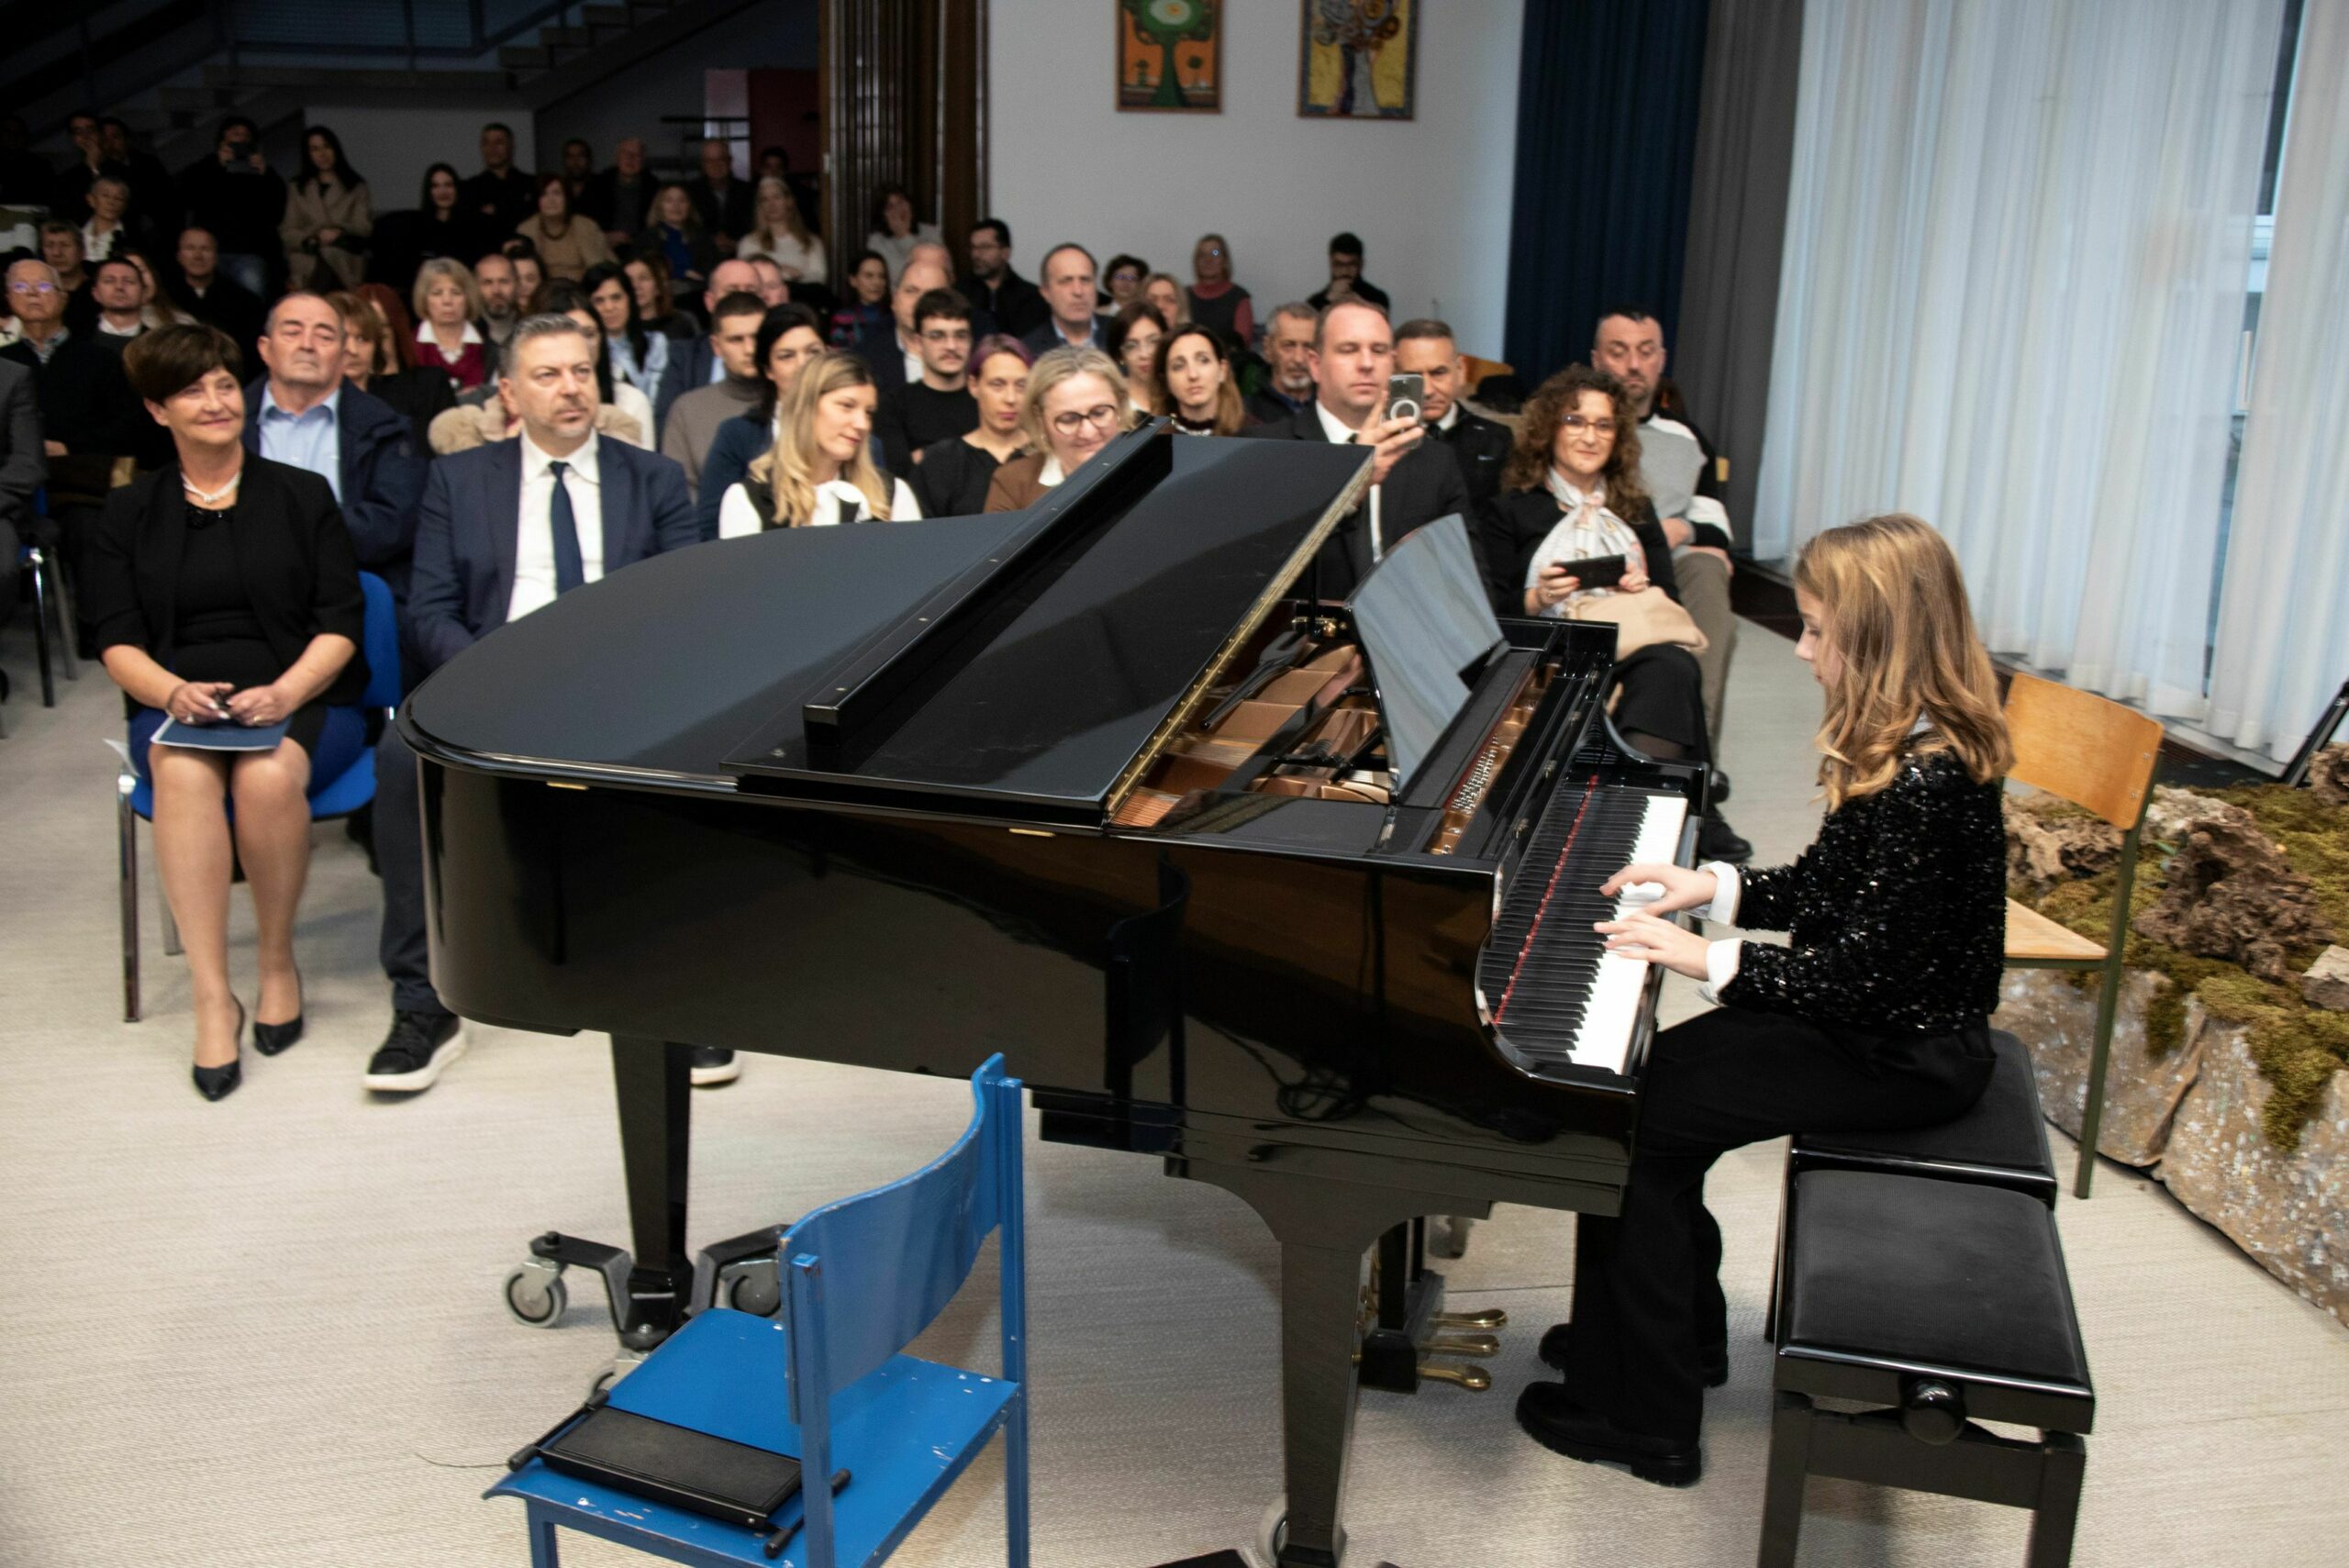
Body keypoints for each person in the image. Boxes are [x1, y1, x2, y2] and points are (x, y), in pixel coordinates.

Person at [1517, 512, 2011, 1486]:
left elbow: (1859, 977)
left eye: (1819, 629)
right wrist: (1712, 886)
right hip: (1875, 1026)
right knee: (1654, 1082)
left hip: (1903, 1054)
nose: (1802, 648)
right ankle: (1671, 1335)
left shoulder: (1927, 779)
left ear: (1880, 638)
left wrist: (1707, 957)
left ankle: (1644, 1414)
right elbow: (1830, 886)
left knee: (1632, 1120)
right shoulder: (1908, 744)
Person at [373, 313, 700, 1093]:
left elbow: (689, 608)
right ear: (509, 393)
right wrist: (496, 677)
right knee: (400, 761)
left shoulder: (652, 477)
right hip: (495, 674)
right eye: (548, 374)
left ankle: (687, 1000)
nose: (570, 388)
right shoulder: (459, 479)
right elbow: (430, 609)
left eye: (582, 371)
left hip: (621, 684)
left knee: (701, 754)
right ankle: (423, 1002)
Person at [88, 324, 368, 1101]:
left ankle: (276, 962)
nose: (215, 402)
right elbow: (114, 638)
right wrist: (168, 690)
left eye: (222, 384)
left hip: (302, 692)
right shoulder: (128, 510)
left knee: (267, 777)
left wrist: (286, 692)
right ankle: (214, 995)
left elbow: (342, 621)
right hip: (179, 699)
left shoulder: (301, 495)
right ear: (158, 410)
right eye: (191, 390)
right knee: (181, 776)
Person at [1479, 364, 1748, 862]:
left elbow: (1670, 601)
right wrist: (1536, 598)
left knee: (1673, 665)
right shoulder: (1510, 510)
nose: (1590, 436)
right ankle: (1694, 809)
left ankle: (1630, 812)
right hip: (1551, 647)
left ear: (1618, 436)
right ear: (1548, 428)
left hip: (1628, 641)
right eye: (1575, 421)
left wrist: (1641, 586)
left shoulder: (1636, 510)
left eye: (1603, 425)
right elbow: (1491, 609)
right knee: (1648, 678)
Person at [1593, 305, 1739, 762]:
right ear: (1597, 359)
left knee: (1708, 566)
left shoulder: (1686, 437)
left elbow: (1717, 528)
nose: (1633, 365)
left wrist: (1681, 529)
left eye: (1645, 351)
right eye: (1619, 352)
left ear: (1661, 359)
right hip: (1592, 562)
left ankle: (1697, 756)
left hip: (1666, 567)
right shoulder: (1576, 427)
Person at [1244, 300, 1466, 596]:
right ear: (1315, 364)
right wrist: (1352, 489)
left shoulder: (1435, 460)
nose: (1366, 363)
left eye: (1378, 350)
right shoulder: (1268, 451)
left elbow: (1468, 584)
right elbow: (1256, 575)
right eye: (1348, 350)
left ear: (1393, 363)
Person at [244, 291, 429, 603]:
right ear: (265, 349)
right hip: (242, 592)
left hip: (349, 591)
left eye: (324, 336)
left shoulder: (385, 428)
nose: (307, 345)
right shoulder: (226, 423)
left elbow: (393, 524)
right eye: (292, 332)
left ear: (343, 355)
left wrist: (284, 532)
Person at [717, 349, 918, 535]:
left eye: (868, 412)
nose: (862, 424)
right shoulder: (748, 500)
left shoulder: (892, 494)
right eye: (846, 406)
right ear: (806, 407)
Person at [696, 303, 826, 539]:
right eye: (787, 356)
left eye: (813, 352)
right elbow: (710, 527)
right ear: (768, 370)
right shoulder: (737, 435)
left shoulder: (856, 434)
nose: (803, 365)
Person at [985, 345, 1131, 511]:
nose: (1088, 432)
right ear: (1040, 420)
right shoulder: (1012, 483)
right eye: (1069, 420)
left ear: (1121, 406)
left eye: (1099, 413)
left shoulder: (1152, 464)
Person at [659, 290, 767, 499]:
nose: (750, 349)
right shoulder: (687, 410)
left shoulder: (794, 402)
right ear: (716, 346)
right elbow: (679, 495)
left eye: (757, 337)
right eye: (736, 340)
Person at [1395, 317, 1511, 510]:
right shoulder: (1380, 442)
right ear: (1393, 377)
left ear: (1461, 370)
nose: (1427, 391)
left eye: (1438, 373)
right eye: (1413, 376)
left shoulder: (1497, 439)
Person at [910, 334, 1029, 518]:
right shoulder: (941, 461)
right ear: (974, 386)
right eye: (997, 385)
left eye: (1021, 385)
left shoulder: (1048, 454)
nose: (1011, 398)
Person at [329, 288, 454, 450]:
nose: (352, 349)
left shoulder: (393, 416)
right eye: (344, 338)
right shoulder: (316, 409)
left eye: (362, 338)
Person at [177, 117, 285, 300]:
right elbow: (188, 197)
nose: (241, 138)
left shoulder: (263, 173)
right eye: (235, 133)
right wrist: (218, 166)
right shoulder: (204, 167)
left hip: (249, 252)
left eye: (246, 135)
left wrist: (265, 174)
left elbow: (276, 211)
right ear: (223, 139)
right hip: (210, 250)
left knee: (252, 292)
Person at [874, 287, 977, 474]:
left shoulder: (985, 400)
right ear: (918, 343)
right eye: (937, 336)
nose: (951, 346)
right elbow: (898, 475)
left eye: (960, 335)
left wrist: (924, 456)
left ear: (971, 340)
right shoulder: (893, 405)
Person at [584, 261, 684, 437]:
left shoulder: (657, 344)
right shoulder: (586, 353)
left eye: (616, 297)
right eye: (599, 301)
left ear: (629, 299)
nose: (609, 307)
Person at [368, 163, 482, 298]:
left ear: (457, 189)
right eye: (435, 186)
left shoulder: (471, 228)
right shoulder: (415, 227)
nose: (443, 191)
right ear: (429, 191)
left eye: (448, 185)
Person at [280, 126, 371, 292]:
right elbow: (288, 231)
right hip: (308, 255)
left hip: (343, 254)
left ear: (335, 149)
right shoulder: (297, 187)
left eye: (326, 147)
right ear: (308, 154)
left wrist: (339, 231)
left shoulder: (356, 186)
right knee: (317, 261)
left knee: (330, 255)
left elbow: (364, 227)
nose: (322, 154)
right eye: (315, 149)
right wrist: (312, 239)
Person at [169, 227, 266, 367]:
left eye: (205, 249)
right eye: (190, 248)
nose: (198, 256)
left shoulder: (244, 301)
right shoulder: (166, 297)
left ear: (216, 256)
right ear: (179, 256)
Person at [861, 255, 952, 395]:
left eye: (932, 294)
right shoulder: (863, 360)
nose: (919, 302)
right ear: (894, 300)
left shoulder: (970, 359)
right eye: (911, 291)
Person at [514, 172, 613, 283]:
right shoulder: (525, 230)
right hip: (541, 291)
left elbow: (601, 270)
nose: (551, 200)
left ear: (567, 198)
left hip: (583, 289)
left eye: (557, 193)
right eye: (544, 194)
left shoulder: (586, 226)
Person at [958, 218, 1046, 340]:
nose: (976, 255)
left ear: (1005, 252)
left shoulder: (1030, 297)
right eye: (973, 247)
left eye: (984, 247)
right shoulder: (959, 293)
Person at [1155, 323, 1249, 436]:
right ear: (1165, 381)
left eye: (1203, 360)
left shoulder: (1256, 435)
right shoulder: (1152, 441)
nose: (1193, 375)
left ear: (1222, 370)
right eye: (1179, 366)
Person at [410, 258, 488, 391]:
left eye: (456, 293)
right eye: (437, 293)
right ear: (424, 299)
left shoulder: (489, 351)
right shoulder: (409, 348)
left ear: (468, 298)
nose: (447, 301)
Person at [638, 183, 719, 308]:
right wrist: (683, 273)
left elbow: (713, 268)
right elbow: (644, 268)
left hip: (698, 295)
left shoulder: (701, 236)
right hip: (662, 296)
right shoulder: (648, 237)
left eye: (682, 200)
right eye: (669, 201)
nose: (676, 206)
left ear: (689, 206)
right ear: (659, 206)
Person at [1021, 244, 1110, 356]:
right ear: (1046, 293)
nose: (1078, 291)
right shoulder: (1028, 351)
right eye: (1066, 281)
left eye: (1085, 280)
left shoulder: (1123, 334)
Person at [100, 116, 179, 239]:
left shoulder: (148, 163)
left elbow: (167, 194)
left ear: (126, 139)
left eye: (115, 137)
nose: (110, 144)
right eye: (105, 140)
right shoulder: (102, 172)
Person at [736, 176, 826, 284]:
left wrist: (798, 275)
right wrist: (781, 273)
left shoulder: (811, 242)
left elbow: (819, 278)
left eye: (776, 197)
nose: (771, 204)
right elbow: (745, 279)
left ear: (788, 202)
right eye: (765, 199)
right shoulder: (749, 242)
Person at [1247, 301, 1319, 424]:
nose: (1298, 359)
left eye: (1308, 347)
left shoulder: (1336, 410)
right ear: (1268, 349)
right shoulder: (1245, 414)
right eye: (1288, 346)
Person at [459, 122, 535, 236]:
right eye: (486, 143)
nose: (492, 148)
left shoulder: (531, 184)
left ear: (511, 146)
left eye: (498, 142)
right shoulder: (469, 189)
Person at [1185, 233, 1253, 350]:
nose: (1208, 260)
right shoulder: (1183, 296)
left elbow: (1242, 342)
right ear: (1196, 262)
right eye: (1202, 255)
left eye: (1215, 253)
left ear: (1225, 261)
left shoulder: (1239, 297)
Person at [54, 109, 125, 222]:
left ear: (100, 134)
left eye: (90, 130)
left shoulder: (120, 170)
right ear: (73, 138)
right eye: (78, 132)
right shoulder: (68, 177)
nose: (85, 136)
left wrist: (94, 167)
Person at [583, 138, 655, 245]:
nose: (631, 158)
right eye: (626, 154)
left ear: (643, 161)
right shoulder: (596, 186)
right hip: (602, 246)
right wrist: (603, 236)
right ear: (617, 158)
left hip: (642, 247)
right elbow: (583, 222)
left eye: (637, 155)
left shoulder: (654, 188)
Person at [686, 139, 754, 250]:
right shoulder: (689, 192)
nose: (716, 165)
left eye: (721, 159)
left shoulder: (749, 191)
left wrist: (737, 244)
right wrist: (710, 241)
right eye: (710, 161)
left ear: (730, 161)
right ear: (702, 164)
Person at [863, 183, 940, 284]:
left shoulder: (931, 233)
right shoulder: (876, 241)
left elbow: (934, 272)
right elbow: (895, 276)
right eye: (890, 206)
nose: (898, 209)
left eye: (901, 202)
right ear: (883, 215)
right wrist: (902, 235)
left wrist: (905, 235)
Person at [1307, 231, 1389, 313]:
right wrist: (1329, 300)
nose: (1345, 271)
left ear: (1361, 264)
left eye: (1351, 264)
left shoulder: (1377, 299)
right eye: (1339, 264)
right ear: (1331, 263)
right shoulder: (1314, 303)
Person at [1110, 302, 1169, 412]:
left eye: (1153, 341)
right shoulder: (1112, 402)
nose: (1144, 354)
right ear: (1120, 355)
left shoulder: (1179, 395)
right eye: (1132, 346)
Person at [40, 222, 96, 334]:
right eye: (50, 246)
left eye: (65, 245)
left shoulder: (100, 290)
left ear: (82, 251)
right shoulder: (38, 293)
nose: (57, 253)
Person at [829, 249, 890, 348]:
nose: (877, 282)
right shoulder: (842, 318)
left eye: (882, 276)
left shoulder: (895, 317)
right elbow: (840, 354)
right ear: (853, 280)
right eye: (869, 276)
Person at [82, 175, 140, 266]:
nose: (111, 202)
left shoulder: (133, 239)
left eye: (119, 198)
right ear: (91, 199)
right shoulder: (75, 231)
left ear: (125, 205)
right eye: (105, 195)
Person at [91, 256, 150, 343]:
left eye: (129, 281)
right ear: (96, 293)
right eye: (109, 281)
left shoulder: (158, 344)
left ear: (144, 293)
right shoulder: (78, 338)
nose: (119, 286)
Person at [473, 250, 524, 348]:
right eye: (487, 283)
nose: (496, 291)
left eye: (504, 281)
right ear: (475, 287)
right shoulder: (465, 333)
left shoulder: (531, 329)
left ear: (517, 284)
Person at [559, 138, 595, 207]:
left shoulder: (602, 187)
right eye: (570, 156)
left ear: (589, 159)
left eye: (581, 156)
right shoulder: (558, 188)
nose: (575, 161)